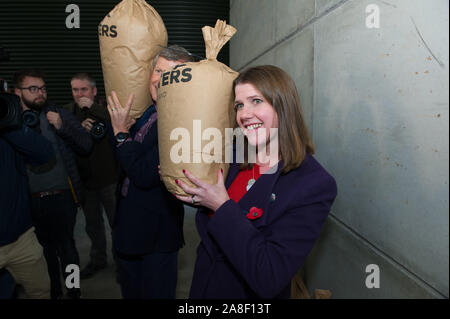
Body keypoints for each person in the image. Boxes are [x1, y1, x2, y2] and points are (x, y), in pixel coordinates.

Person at [174, 65, 338, 298]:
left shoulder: (313, 185)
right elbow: (209, 205)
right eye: (239, 105)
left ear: (283, 105)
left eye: (256, 101)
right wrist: (184, 185)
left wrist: (221, 206)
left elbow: (269, 274)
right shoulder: (234, 154)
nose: (244, 114)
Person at [106, 45, 194, 299]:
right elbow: (124, 160)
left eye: (171, 74)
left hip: (156, 236)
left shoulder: (182, 123)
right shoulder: (146, 112)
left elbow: (144, 174)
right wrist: (121, 133)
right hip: (127, 229)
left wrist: (122, 135)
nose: (161, 79)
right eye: (158, 70)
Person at [13, 70, 93, 299]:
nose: (40, 93)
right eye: (33, 89)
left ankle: (73, 290)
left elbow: (86, 144)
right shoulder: (11, 121)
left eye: (43, 88)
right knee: (44, 253)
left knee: (68, 249)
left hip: (63, 196)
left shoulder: (58, 113)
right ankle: (55, 292)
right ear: (17, 92)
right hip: (30, 200)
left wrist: (62, 127)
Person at [63, 73, 118, 279]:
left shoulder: (106, 110)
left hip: (109, 178)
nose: (79, 94)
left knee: (116, 223)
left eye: (84, 89)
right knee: (92, 225)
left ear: (94, 91)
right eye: (75, 90)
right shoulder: (68, 112)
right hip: (85, 180)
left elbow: (117, 125)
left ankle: (122, 263)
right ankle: (98, 260)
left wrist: (93, 109)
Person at [0, 92, 54, 299]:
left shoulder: (10, 128)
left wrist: (8, 123)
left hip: (21, 238)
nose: (39, 92)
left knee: (64, 255)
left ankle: (73, 288)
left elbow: (45, 153)